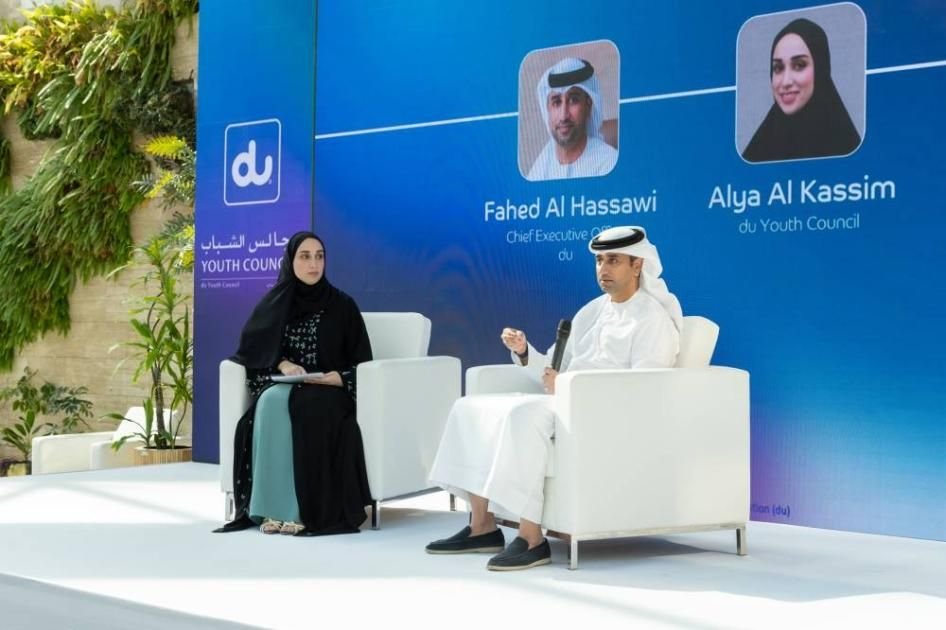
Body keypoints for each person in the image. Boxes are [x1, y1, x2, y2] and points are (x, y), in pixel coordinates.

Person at [425, 225, 681, 570]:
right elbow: (554, 369)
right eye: (599, 261)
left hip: (604, 413)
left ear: (638, 265)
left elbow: (644, 389)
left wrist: (569, 385)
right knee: (470, 407)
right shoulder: (591, 312)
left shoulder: (653, 319)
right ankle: (482, 526)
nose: (603, 269)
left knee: (523, 415)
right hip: (568, 401)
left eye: (613, 261)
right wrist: (524, 352)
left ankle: (532, 539)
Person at [213, 231, 373, 536]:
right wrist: (283, 364)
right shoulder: (275, 304)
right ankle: (269, 509)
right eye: (305, 256)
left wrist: (339, 378)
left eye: (319, 256)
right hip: (285, 387)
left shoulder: (343, 306)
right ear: (290, 261)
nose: (314, 264)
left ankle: (300, 512)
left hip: (330, 391)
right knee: (270, 401)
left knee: (308, 406)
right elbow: (253, 353)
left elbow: (363, 364)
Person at [742, 17, 861, 162]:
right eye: (778, 68)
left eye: (799, 65)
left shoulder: (845, 146)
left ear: (820, 69)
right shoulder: (758, 150)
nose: (785, 81)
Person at [526, 57, 618, 181]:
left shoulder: (608, 163)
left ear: (588, 105)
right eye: (557, 102)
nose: (564, 116)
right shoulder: (540, 169)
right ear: (548, 109)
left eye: (573, 100)